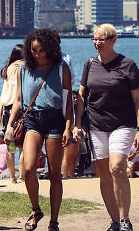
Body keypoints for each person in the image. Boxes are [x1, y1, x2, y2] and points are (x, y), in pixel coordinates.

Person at [5, 29, 72, 231]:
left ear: (49, 49)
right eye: (33, 50)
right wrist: (9, 125)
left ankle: (54, 221)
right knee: (27, 168)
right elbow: (18, 101)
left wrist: (69, 126)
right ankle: (35, 209)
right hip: (32, 120)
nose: (37, 54)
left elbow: (68, 101)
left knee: (54, 174)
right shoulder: (23, 69)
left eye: (41, 50)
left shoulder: (61, 67)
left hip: (55, 121)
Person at [73, 24, 139, 231]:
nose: (97, 42)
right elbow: (82, 96)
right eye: (94, 39)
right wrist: (77, 124)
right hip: (96, 124)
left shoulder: (128, 64)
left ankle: (125, 219)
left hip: (123, 123)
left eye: (101, 39)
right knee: (103, 174)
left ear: (113, 40)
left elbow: (137, 99)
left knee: (117, 168)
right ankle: (115, 221)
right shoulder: (89, 64)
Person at [0, 44, 24, 183]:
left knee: (10, 145)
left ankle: (12, 177)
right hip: (19, 108)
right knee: (22, 146)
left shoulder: (6, 70)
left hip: (6, 109)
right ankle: (23, 176)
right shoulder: (22, 67)